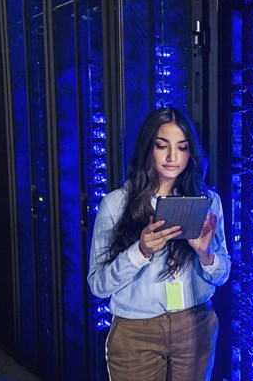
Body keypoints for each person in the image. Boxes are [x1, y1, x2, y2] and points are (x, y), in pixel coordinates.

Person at [88, 107, 231, 381]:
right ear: (147, 148)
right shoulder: (116, 205)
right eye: (162, 146)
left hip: (195, 325)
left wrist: (206, 254)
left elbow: (222, 275)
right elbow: (98, 285)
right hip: (136, 332)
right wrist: (140, 252)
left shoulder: (208, 202)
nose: (172, 157)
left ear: (191, 152)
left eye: (182, 147)